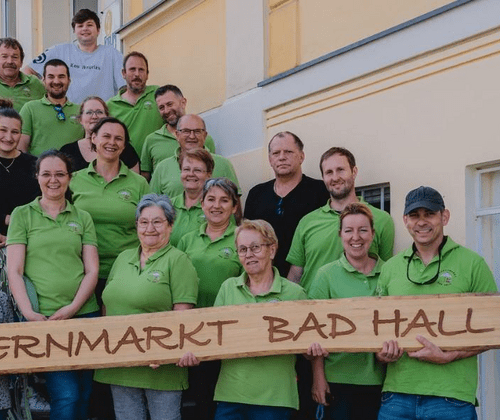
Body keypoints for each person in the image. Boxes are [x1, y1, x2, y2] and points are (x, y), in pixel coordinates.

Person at [375, 186, 498, 420]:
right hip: (396, 396)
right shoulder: (390, 268)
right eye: (414, 215)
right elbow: (378, 327)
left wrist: (450, 355)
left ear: (444, 216)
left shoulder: (473, 264)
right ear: (405, 220)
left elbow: (494, 328)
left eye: (429, 214)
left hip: (451, 398)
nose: (421, 222)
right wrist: (382, 354)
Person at [181, 219, 307, 420]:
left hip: (275, 399)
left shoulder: (295, 293)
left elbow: (307, 347)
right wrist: (192, 352)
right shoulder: (228, 288)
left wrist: (313, 349)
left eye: (255, 247)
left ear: (272, 250)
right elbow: (211, 337)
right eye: (242, 249)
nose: (249, 254)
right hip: (230, 396)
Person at [6, 149, 99, 420]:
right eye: (46, 174)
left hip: (84, 314)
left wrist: (73, 307)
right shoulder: (22, 215)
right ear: (37, 177)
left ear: (70, 177)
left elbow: (92, 269)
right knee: (66, 394)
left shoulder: (83, 217)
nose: (53, 180)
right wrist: (29, 313)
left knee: (85, 392)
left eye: (60, 174)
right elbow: (15, 270)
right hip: (45, 318)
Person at [94, 193, 199, 420]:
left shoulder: (178, 260)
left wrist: (163, 351)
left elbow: (183, 317)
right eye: (143, 222)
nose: (149, 228)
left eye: (157, 222)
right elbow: (106, 306)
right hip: (120, 366)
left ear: (170, 225)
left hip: (160, 368)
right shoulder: (123, 258)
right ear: (136, 226)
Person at [308, 203, 385, 420]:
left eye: (363, 230)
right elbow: (313, 331)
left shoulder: (389, 272)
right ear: (340, 234)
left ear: (372, 234)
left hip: (380, 381)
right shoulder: (326, 275)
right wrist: (318, 377)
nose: (356, 237)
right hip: (336, 379)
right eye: (349, 230)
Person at [287, 146, 395, 293]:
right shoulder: (307, 222)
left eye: (340, 170)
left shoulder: (381, 219)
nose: (335, 177)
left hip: (360, 305)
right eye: (329, 172)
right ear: (323, 178)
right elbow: (295, 275)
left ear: (354, 172)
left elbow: (386, 272)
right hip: (314, 305)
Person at [70, 117, 150, 303]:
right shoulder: (73, 180)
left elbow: (149, 228)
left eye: (118, 138)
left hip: (126, 271)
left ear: (124, 145)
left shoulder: (139, 183)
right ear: (93, 138)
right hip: (80, 272)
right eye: (106, 136)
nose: (112, 142)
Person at [244, 131, 329, 276]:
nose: (282, 157)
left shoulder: (320, 191)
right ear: (270, 159)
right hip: (264, 279)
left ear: (301, 156)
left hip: (309, 277)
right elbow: (246, 239)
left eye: (288, 152)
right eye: (276, 153)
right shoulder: (256, 194)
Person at [24, 9, 124, 104]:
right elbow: (27, 71)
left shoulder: (112, 54)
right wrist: (44, 96)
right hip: (65, 113)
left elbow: (124, 88)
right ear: (74, 31)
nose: (85, 28)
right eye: (80, 26)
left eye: (89, 25)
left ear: (98, 30)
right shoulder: (59, 50)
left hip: (101, 114)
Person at [151, 114, 240, 198]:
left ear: (205, 135)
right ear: (177, 135)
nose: (192, 136)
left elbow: (235, 203)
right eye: (186, 131)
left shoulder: (224, 164)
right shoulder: (162, 168)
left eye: (197, 131)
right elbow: (152, 203)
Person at [140, 84, 216, 180]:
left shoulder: (203, 139)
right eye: (161, 107)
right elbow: (145, 179)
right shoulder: (151, 140)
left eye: (170, 104)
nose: (166, 111)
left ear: (183, 103)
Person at [19, 59, 83, 156]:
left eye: (61, 76)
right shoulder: (30, 108)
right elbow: (21, 149)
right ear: (43, 80)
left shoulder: (81, 111)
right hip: (38, 165)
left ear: (69, 80)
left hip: (74, 166)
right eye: (51, 77)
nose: (56, 81)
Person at [60, 96, 140, 172]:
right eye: (89, 112)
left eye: (99, 112)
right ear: (80, 119)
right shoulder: (67, 151)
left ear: (107, 117)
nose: (94, 116)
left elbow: (135, 179)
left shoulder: (121, 148)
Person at [0, 99, 40, 247]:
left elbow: (43, 204)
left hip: (29, 239)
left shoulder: (34, 165)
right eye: (3, 130)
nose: (8, 137)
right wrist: (5, 219)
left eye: (15, 132)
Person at [107, 51, 163, 155]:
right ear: (123, 73)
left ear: (147, 74)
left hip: (156, 161)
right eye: (132, 69)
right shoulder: (110, 105)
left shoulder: (158, 94)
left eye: (141, 70)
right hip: (123, 163)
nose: (137, 74)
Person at [169, 148, 214, 247]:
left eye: (197, 170)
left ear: (208, 175)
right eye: (186, 169)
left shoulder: (216, 208)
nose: (191, 174)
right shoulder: (167, 206)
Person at [0, 37, 44, 111]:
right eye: (4, 56)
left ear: (21, 62)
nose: (10, 61)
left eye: (15, 57)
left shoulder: (35, 83)